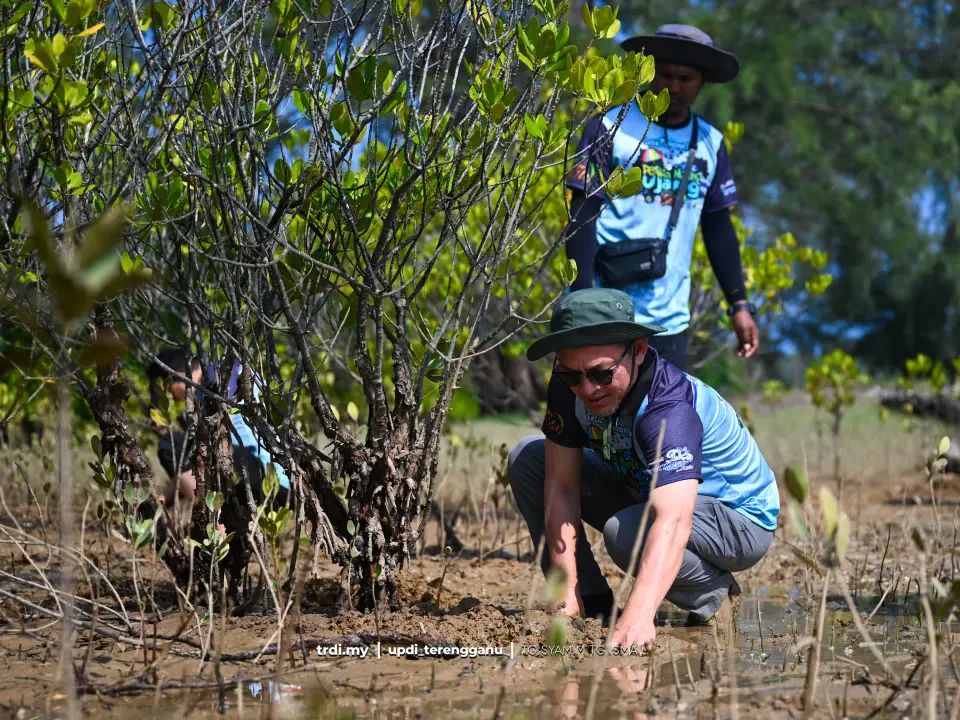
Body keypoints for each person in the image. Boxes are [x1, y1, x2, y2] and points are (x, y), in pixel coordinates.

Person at [509, 289, 779, 649]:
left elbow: (673, 520)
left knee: (625, 533)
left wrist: (638, 616)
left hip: (737, 518)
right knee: (529, 458)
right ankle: (591, 603)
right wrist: (565, 599)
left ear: (637, 349)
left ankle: (712, 592)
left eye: (602, 374)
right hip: (648, 491)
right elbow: (561, 488)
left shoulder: (669, 407)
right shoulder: (567, 386)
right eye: (572, 375)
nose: (587, 389)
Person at [565, 24, 759, 371]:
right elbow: (583, 211)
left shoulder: (710, 143)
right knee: (589, 417)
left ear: (703, 82)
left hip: (668, 319)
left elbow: (718, 229)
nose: (673, 87)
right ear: (649, 72)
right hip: (604, 310)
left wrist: (739, 304)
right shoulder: (610, 126)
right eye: (665, 75)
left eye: (686, 78)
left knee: (664, 422)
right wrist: (583, 302)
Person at [147, 348, 290, 509]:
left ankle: (216, 520)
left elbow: (203, 451)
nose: (167, 394)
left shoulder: (218, 375)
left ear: (177, 374)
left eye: (164, 386)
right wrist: (163, 500)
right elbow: (190, 470)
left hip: (263, 475)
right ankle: (223, 520)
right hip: (275, 480)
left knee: (170, 443)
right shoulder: (213, 378)